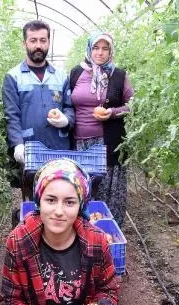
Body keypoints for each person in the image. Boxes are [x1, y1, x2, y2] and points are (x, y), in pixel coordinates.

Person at [0, 158, 119, 305]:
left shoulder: (96, 241)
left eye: (70, 202)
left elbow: (109, 291)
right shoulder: (19, 241)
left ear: (81, 205)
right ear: (38, 201)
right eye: (50, 200)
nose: (59, 211)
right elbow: (10, 302)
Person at [2, 20, 75, 202]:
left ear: (48, 43)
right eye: (33, 40)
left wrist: (66, 120)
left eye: (43, 40)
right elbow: (12, 115)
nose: (38, 45)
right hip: (30, 149)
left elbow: (69, 107)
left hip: (58, 148)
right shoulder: (13, 77)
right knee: (32, 198)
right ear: (25, 43)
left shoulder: (60, 75)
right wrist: (17, 144)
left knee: (58, 195)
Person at [69, 32, 134, 227]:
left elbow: (132, 105)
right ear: (89, 49)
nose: (100, 53)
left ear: (110, 51)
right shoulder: (76, 73)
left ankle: (107, 233)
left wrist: (112, 113)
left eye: (105, 49)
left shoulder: (119, 75)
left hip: (108, 142)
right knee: (82, 188)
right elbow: (67, 103)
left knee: (107, 191)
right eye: (96, 48)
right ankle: (81, 231)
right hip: (81, 142)